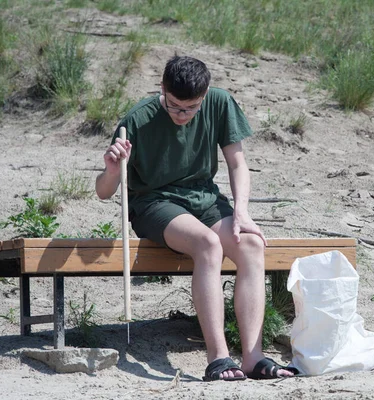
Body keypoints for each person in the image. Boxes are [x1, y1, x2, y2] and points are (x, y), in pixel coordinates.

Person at [95, 55, 298, 381]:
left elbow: (237, 163)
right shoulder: (136, 119)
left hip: (204, 198)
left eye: (191, 108)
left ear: (204, 96)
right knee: (208, 244)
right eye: (175, 106)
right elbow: (104, 192)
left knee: (250, 245)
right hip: (154, 203)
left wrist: (241, 212)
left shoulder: (220, 102)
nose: (182, 115)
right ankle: (218, 358)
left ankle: (253, 357)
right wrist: (110, 167)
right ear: (162, 89)